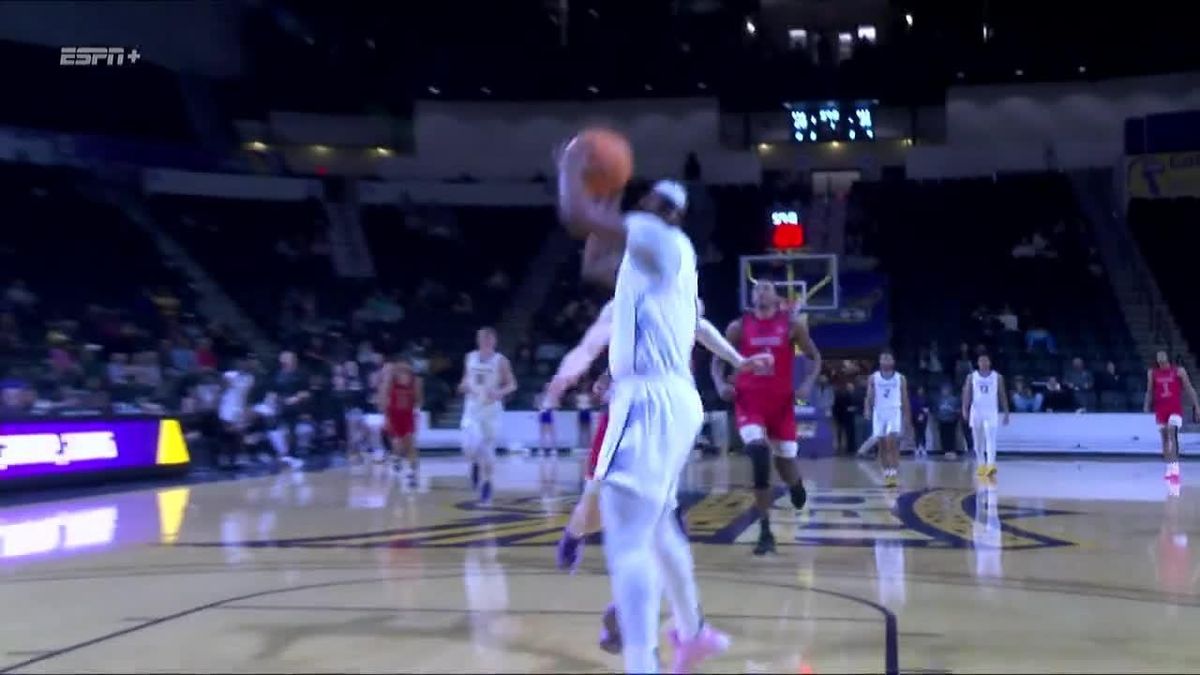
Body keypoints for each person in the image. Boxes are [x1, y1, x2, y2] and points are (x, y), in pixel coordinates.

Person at [556, 136, 759, 673]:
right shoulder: (673, 256)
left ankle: (643, 662)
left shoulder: (653, 234)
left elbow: (578, 216)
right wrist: (739, 361)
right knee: (661, 525)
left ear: (656, 209)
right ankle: (692, 632)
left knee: (626, 542)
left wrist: (573, 167)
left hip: (646, 400)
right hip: (675, 399)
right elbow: (597, 263)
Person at [545, 296, 767, 656]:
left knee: (666, 530)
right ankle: (578, 545)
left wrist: (739, 360)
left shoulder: (677, 306)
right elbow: (602, 348)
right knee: (612, 510)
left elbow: (703, 329)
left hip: (665, 428)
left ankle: (637, 619)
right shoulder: (630, 304)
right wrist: (577, 376)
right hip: (629, 422)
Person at [710, 279, 821, 555]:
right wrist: (720, 384)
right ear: (752, 297)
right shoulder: (739, 326)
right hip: (750, 402)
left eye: (767, 287)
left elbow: (815, 357)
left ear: (776, 296)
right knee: (759, 454)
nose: (761, 290)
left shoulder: (792, 325)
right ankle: (765, 530)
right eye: (757, 287)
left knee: (786, 465)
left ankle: (795, 486)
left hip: (782, 404)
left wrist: (808, 382)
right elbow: (716, 359)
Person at [458, 327, 517, 505]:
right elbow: (465, 380)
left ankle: (487, 484)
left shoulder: (501, 360)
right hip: (472, 408)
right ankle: (475, 464)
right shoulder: (470, 357)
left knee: (488, 450)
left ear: (494, 340)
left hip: (491, 410)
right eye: (482, 338)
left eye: (489, 338)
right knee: (469, 446)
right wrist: (463, 386)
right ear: (478, 340)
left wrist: (500, 392)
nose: (485, 340)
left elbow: (512, 384)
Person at [1144, 351, 1200, 482]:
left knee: (1171, 431)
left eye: (1163, 358)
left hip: (1174, 409)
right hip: (1161, 409)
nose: (1162, 361)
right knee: (1164, 439)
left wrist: (1197, 406)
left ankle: (1175, 469)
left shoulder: (1179, 371)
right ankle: (1169, 467)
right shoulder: (1152, 373)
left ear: (1167, 359)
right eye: (1159, 359)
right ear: (1157, 361)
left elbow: (1189, 388)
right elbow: (1149, 391)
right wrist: (1146, 405)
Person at [864, 351, 910, 487]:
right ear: (880, 361)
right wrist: (867, 409)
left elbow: (904, 397)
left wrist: (907, 416)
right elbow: (869, 395)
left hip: (894, 411)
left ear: (893, 361)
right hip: (879, 412)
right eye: (883, 358)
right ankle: (887, 473)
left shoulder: (900, 378)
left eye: (888, 358)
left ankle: (894, 472)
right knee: (882, 445)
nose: (886, 360)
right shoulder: (874, 378)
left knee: (892, 441)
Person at [962, 354, 1010, 478]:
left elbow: (1002, 394)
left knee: (991, 438)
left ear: (989, 362)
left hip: (991, 411)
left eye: (986, 360)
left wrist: (1006, 412)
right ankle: (981, 464)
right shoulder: (971, 377)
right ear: (978, 363)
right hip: (976, 411)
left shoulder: (997, 377)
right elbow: (967, 393)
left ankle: (991, 465)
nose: (983, 363)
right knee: (978, 441)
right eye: (981, 361)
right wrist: (964, 409)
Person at [378, 357, 422, 485]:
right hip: (393, 417)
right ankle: (396, 458)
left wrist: (416, 412)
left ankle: (413, 474)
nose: (404, 375)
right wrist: (386, 417)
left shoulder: (415, 383)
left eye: (406, 372)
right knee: (397, 445)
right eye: (401, 372)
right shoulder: (390, 383)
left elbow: (418, 401)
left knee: (410, 446)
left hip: (408, 417)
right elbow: (383, 401)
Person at [934, 382, 961, 457]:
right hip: (942, 420)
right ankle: (944, 450)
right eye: (943, 389)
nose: (944, 391)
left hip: (951, 421)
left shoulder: (954, 399)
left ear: (950, 390)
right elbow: (936, 410)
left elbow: (958, 410)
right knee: (943, 436)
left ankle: (951, 450)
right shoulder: (939, 399)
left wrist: (954, 412)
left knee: (951, 436)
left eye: (946, 389)